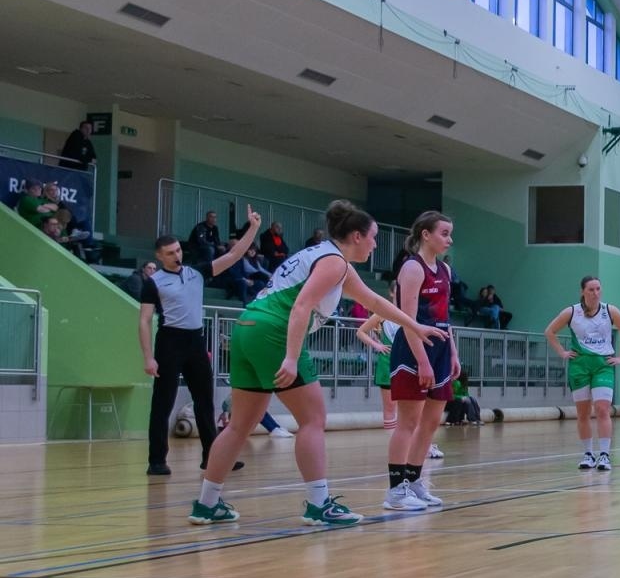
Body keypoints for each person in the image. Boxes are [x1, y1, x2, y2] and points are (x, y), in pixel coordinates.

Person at [187, 200, 446, 527]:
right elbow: (301, 307)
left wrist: (414, 325)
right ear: (355, 236)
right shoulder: (333, 262)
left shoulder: (329, 260)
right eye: (373, 237)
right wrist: (292, 357)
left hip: (246, 327)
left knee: (240, 425)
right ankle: (319, 504)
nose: (375, 244)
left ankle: (207, 503)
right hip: (273, 331)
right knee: (312, 419)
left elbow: (376, 301)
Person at [139, 206, 263, 476]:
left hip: (196, 340)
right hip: (170, 341)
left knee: (205, 401)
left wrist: (252, 227)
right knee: (163, 403)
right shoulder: (153, 282)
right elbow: (144, 321)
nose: (177, 255)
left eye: (178, 250)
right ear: (159, 257)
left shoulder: (196, 273)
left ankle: (213, 457)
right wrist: (148, 357)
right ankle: (156, 460)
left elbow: (232, 255)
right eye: (170, 253)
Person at [382, 212, 460, 511]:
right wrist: (422, 361)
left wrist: (452, 353)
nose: (449, 239)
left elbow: (445, 317)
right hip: (414, 347)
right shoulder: (412, 268)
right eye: (444, 233)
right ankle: (394, 491)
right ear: (426, 235)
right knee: (409, 422)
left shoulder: (445, 270)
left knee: (430, 423)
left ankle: (415, 482)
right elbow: (408, 320)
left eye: (450, 233)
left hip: (440, 346)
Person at [544, 277, 620, 471]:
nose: (595, 293)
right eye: (591, 289)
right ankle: (587, 454)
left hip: (603, 365)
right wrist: (562, 352)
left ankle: (604, 455)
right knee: (583, 413)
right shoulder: (571, 312)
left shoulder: (610, 311)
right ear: (582, 292)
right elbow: (550, 332)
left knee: (602, 409)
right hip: (580, 366)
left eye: (598, 289)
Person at [357, 284, 401, 433]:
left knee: (411, 407)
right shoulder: (383, 312)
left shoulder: (413, 311)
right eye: (398, 289)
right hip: (387, 364)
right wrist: (377, 345)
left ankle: (415, 445)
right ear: (391, 292)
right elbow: (361, 332)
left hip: (408, 364)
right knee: (390, 406)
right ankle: (394, 444)